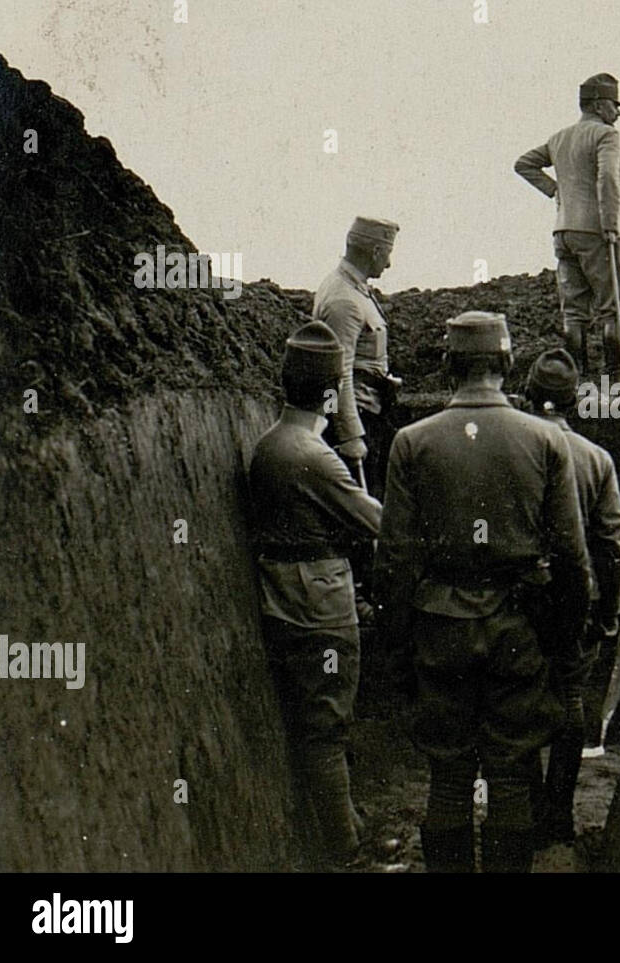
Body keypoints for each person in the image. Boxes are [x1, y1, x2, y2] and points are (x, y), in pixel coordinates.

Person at [374, 312, 593, 873]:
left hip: (439, 627)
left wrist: (396, 646)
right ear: (506, 362)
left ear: (448, 365)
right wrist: (564, 641)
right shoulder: (546, 440)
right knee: (510, 774)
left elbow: (395, 558)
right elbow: (572, 556)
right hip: (517, 630)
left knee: (448, 778)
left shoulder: (410, 443)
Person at [247, 321, 383, 866]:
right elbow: (373, 522)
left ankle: (346, 821)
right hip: (319, 606)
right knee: (327, 726)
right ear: (330, 393)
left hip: (284, 598)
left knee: (316, 722)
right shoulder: (312, 455)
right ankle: (344, 848)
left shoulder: (269, 445)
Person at [523, 349, 620, 848]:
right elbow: (613, 547)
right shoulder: (597, 460)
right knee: (569, 705)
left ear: (527, 394)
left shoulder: (512, 449)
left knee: (515, 708)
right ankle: (557, 816)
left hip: (518, 607)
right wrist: (607, 613)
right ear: (575, 401)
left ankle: (522, 814)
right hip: (576, 607)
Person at [514, 73, 620, 380]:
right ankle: (616, 386)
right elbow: (608, 178)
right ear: (597, 105)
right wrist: (609, 224)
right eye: (613, 105)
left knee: (574, 311)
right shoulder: (606, 135)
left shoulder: (558, 138)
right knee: (614, 307)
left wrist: (556, 191)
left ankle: (574, 385)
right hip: (597, 232)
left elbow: (524, 163)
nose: (618, 112)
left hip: (563, 232)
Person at [313, 216, 402, 500]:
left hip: (369, 413)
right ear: (375, 251)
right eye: (387, 254)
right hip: (359, 419)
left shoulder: (353, 289)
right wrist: (350, 434)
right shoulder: (344, 300)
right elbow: (338, 373)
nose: (388, 264)